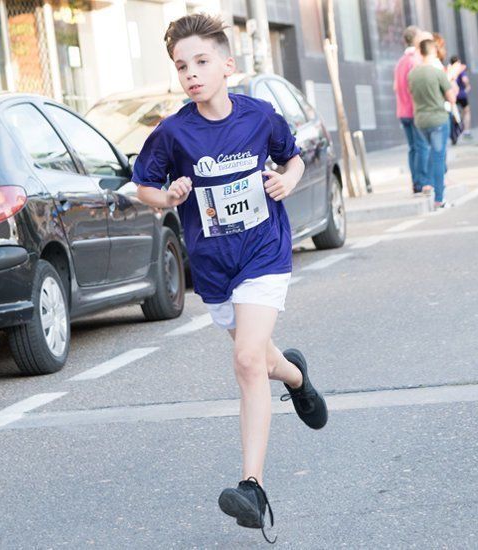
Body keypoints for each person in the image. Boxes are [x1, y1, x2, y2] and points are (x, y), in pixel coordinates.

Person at [132, 13, 328, 542]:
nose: (191, 73)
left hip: (264, 253)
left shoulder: (260, 116)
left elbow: (293, 160)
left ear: (226, 65)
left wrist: (286, 180)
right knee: (259, 358)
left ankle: (252, 485)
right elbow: (143, 187)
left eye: (200, 62)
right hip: (214, 268)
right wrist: (168, 195)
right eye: (181, 66)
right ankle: (295, 377)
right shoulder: (173, 133)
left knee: (244, 360)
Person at [409, 38, 457, 207]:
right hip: (438, 118)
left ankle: (427, 184)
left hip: (420, 120)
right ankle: (439, 199)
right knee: (438, 157)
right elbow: (452, 97)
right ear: (434, 52)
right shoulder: (437, 72)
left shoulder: (413, 74)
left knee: (428, 152)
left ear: (420, 53)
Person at [394, 25, 426, 194]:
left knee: (413, 147)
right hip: (414, 111)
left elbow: (395, 87)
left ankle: (415, 182)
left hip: (402, 111)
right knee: (421, 147)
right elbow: (416, 87)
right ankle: (421, 182)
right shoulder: (415, 61)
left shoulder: (400, 62)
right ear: (415, 39)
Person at [451, 55, 472, 140]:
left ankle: (455, 129)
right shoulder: (460, 70)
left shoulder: (450, 70)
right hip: (461, 94)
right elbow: (464, 80)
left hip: (452, 95)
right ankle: (466, 130)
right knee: (466, 111)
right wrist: (467, 86)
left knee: (454, 112)